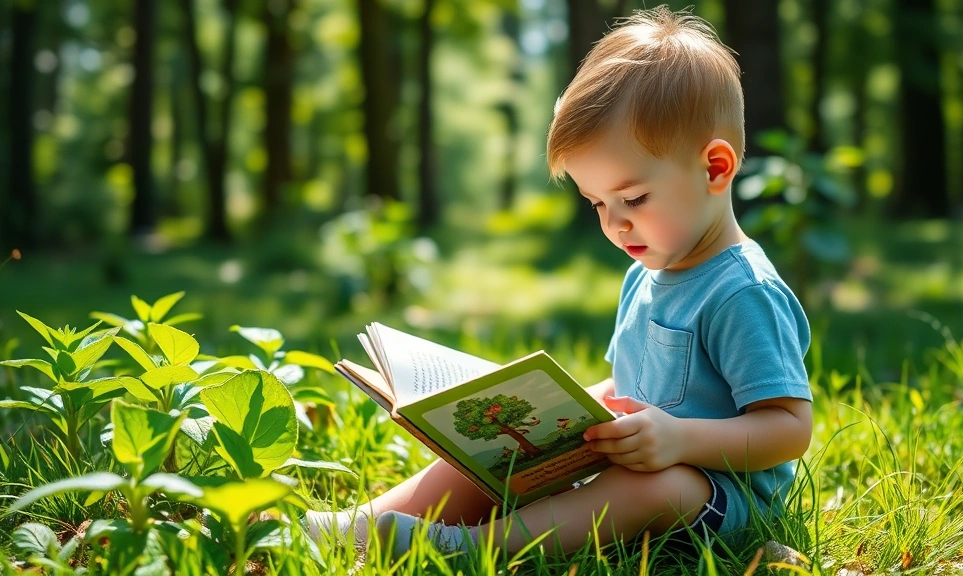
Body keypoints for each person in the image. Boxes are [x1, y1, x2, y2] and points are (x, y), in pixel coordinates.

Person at [305, 4, 813, 558]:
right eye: (596, 202)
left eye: (634, 199)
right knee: (502, 449)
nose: (614, 224)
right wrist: (556, 414)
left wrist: (679, 438)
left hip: (717, 497)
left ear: (715, 168)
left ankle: (473, 549)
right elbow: (630, 388)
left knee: (650, 485)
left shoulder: (742, 292)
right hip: (643, 462)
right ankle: (356, 524)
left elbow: (788, 427)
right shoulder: (647, 273)